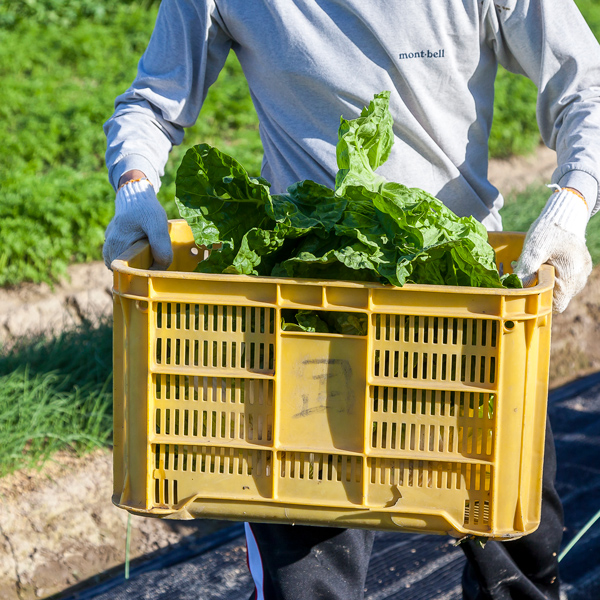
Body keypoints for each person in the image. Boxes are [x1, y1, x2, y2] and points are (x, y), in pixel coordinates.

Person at [103, 1, 600, 598]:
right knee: (307, 571)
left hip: (465, 304)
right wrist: (135, 185)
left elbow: (586, 85)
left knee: (519, 552)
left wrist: (572, 203)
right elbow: (152, 103)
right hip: (308, 306)